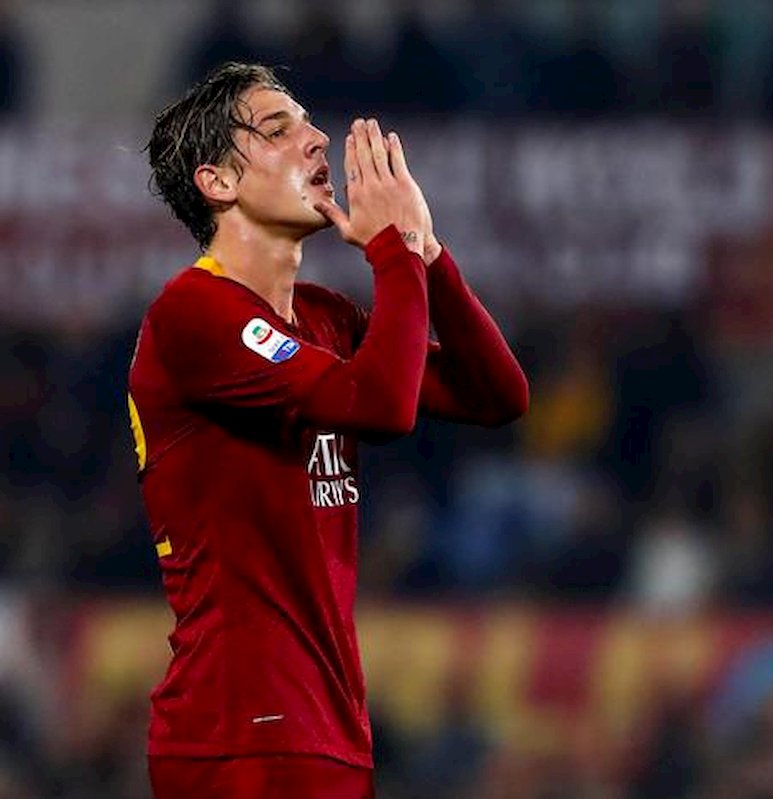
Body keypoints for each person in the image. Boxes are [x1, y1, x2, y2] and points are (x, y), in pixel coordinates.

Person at [128, 62, 528, 798]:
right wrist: (391, 252)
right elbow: (380, 407)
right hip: (239, 729)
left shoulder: (322, 318)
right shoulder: (191, 314)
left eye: (309, 122)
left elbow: (497, 395)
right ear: (217, 182)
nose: (317, 140)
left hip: (328, 727)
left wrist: (427, 254)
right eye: (278, 129)